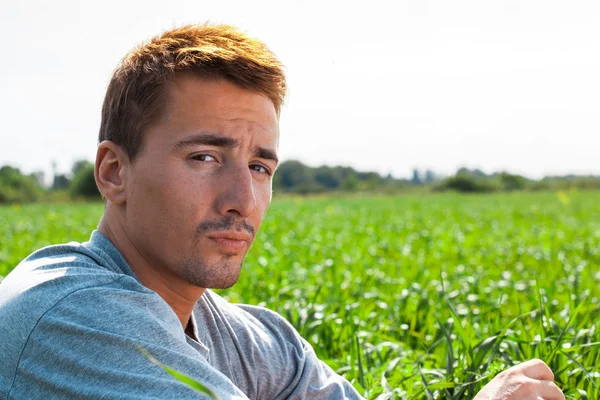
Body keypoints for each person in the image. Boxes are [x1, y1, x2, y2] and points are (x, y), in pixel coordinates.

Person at [0, 24, 564, 400]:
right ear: (113, 172)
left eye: (259, 168)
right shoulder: (69, 315)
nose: (241, 200)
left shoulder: (261, 341)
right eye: (204, 157)